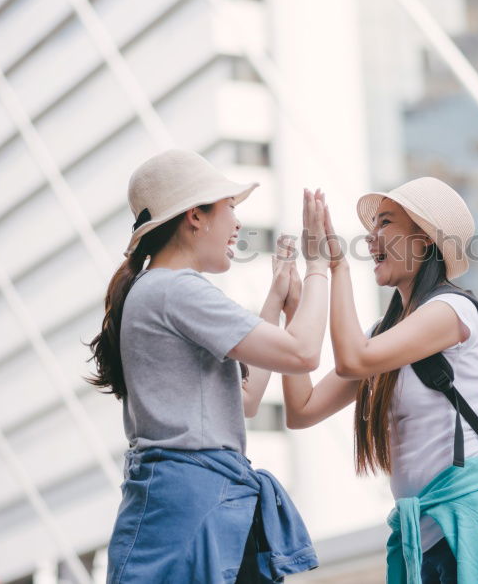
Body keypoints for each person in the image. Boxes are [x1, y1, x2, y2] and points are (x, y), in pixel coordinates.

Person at [281, 177, 478, 583]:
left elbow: (353, 360)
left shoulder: (453, 312)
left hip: (475, 526)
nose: (371, 239)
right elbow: (301, 410)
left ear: (423, 241)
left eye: (385, 223)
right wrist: (294, 315)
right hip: (424, 543)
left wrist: (335, 266)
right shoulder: (381, 336)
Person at [87, 148, 328, 583]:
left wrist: (275, 300)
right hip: (196, 507)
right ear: (194, 216)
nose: (237, 223)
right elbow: (303, 353)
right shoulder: (177, 290)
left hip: (186, 507)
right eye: (230, 207)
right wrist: (320, 265)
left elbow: (247, 400)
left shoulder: (154, 291)